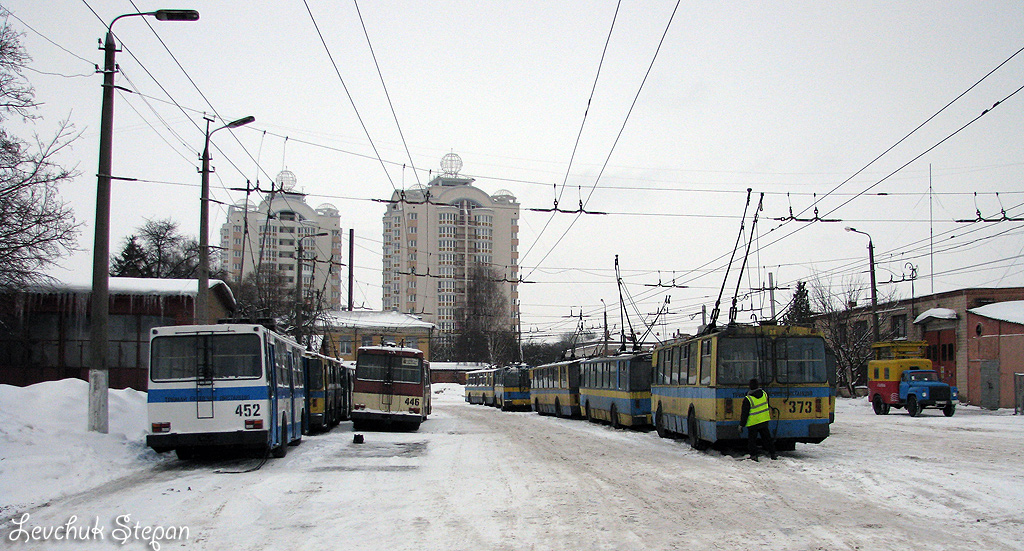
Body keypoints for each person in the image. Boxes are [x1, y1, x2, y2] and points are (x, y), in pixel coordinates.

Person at [740, 378, 777, 461]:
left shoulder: (748, 399)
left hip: (753, 423)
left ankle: (754, 455)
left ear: (750, 387)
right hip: (764, 421)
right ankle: (773, 453)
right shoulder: (764, 394)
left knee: (752, 441)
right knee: (767, 439)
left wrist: (741, 425)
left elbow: (744, 414)